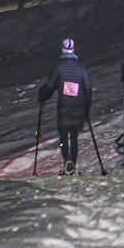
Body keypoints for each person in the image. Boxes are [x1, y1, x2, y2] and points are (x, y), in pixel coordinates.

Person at [38, 38, 93, 176]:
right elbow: (88, 89)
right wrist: (87, 108)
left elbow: (50, 86)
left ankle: (67, 160)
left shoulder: (59, 67)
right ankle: (72, 163)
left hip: (64, 107)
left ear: (62, 50)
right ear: (73, 50)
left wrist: (42, 95)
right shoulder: (81, 68)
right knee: (74, 137)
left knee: (63, 137)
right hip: (78, 107)